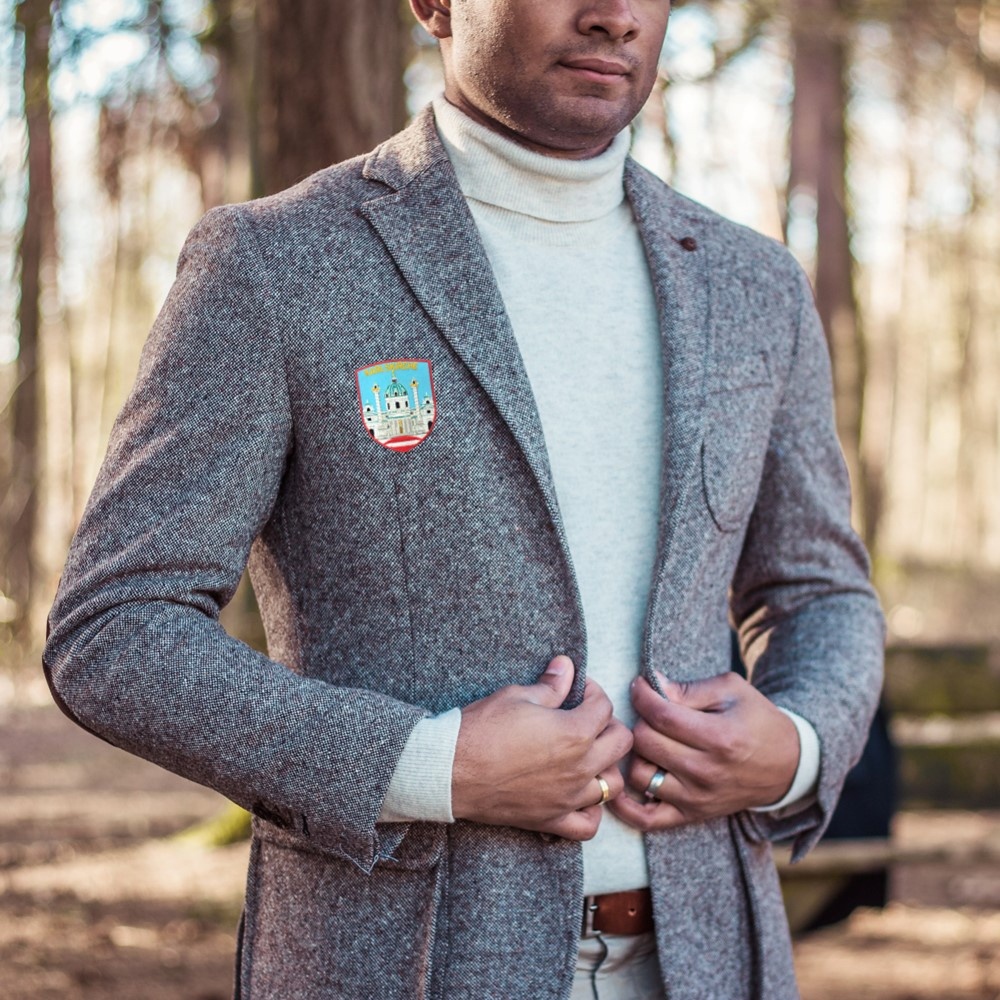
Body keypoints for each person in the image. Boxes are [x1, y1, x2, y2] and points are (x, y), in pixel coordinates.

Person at [43, 1, 885, 998]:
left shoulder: (755, 286)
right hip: (397, 964)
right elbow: (114, 629)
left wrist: (797, 747)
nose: (614, 17)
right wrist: (424, 765)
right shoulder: (273, 263)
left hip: (711, 962)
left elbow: (822, 592)